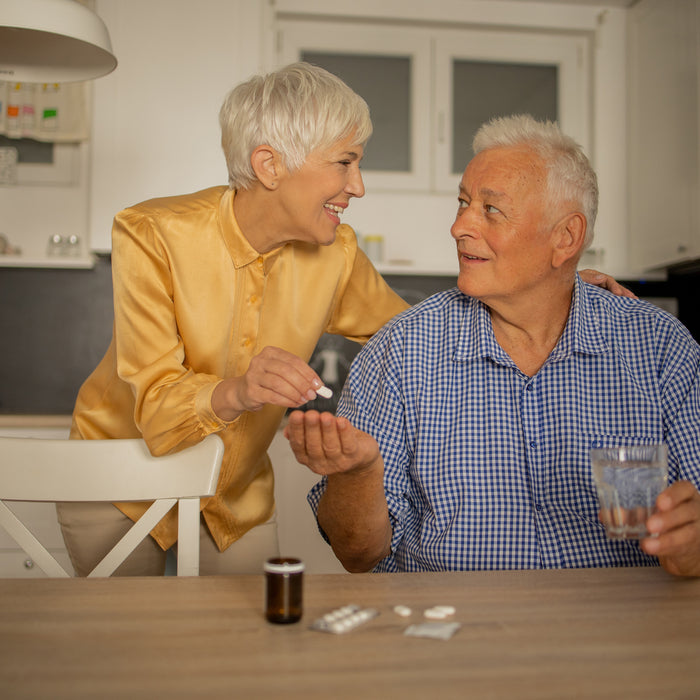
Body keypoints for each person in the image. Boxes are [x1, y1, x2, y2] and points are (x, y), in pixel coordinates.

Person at [58, 63, 628, 577]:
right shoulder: (151, 232)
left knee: (250, 661)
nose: (357, 185)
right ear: (270, 165)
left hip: (232, 496)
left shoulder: (335, 252)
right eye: (345, 162)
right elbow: (155, 404)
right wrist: (237, 390)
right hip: (118, 480)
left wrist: (562, 290)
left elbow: (423, 333)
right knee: (122, 655)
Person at [285, 114, 700, 577]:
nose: (459, 226)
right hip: (449, 628)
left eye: (491, 209)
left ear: (565, 238)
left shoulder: (659, 347)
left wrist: (689, 544)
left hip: (620, 627)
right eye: (462, 203)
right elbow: (358, 555)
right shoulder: (401, 351)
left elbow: (693, 526)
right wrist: (356, 474)